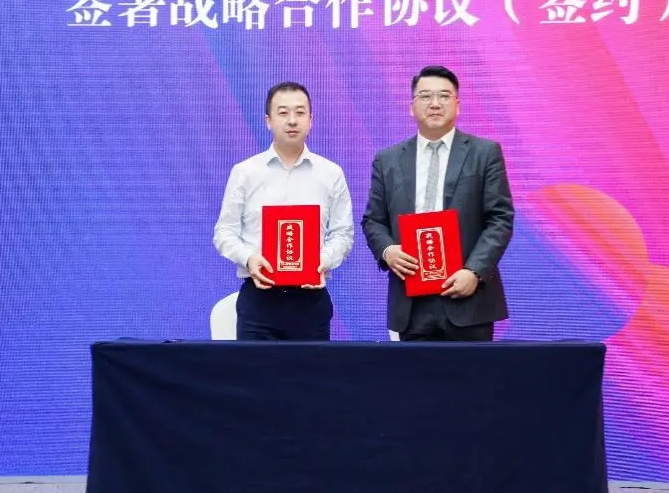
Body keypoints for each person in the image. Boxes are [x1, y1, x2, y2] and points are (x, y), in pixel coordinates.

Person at [361, 66, 514, 342]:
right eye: (425, 96)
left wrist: (474, 271)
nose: (435, 103)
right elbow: (373, 220)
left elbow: (500, 219)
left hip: (468, 299)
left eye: (444, 96)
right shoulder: (388, 160)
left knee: (472, 372)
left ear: (458, 105)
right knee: (413, 372)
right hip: (410, 302)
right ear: (411, 107)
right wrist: (387, 250)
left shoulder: (485, 152)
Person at [214, 82, 354, 341]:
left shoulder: (331, 174)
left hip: (311, 302)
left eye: (300, 112)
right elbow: (224, 232)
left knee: (311, 370)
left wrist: (322, 261)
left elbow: (343, 234)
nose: (292, 120)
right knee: (255, 369)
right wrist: (249, 258)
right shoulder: (245, 172)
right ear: (268, 121)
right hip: (259, 302)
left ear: (311, 120)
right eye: (283, 113)